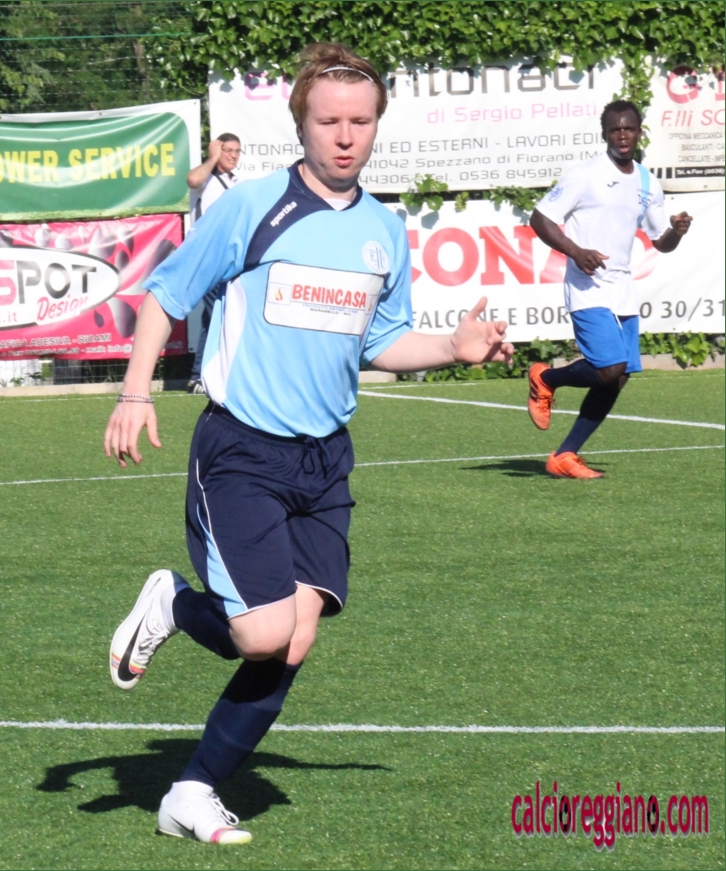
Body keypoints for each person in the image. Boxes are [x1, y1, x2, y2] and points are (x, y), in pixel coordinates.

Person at [104, 42, 513, 846]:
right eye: (329, 121)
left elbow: (382, 342)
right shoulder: (254, 207)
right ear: (302, 123)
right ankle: (175, 605)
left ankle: (192, 790)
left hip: (325, 460)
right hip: (242, 449)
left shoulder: (384, 231)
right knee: (260, 632)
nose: (346, 135)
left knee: (295, 636)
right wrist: (135, 390)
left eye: (360, 121)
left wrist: (451, 348)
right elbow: (165, 295)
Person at [527, 99, 693, 479]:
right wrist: (576, 251)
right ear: (604, 134)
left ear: (639, 133)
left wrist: (676, 232)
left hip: (622, 287)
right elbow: (540, 218)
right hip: (587, 285)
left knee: (619, 376)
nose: (622, 135)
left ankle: (565, 455)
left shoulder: (647, 182)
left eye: (629, 128)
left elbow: (660, 242)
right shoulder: (585, 175)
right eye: (615, 129)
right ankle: (545, 378)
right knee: (609, 367)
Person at [185, 133, 242, 394]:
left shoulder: (237, 182)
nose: (232, 155)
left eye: (237, 151)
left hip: (228, 258)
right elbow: (192, 179)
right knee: (222, 312)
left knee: (214, 315)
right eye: (227, 150)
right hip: (206, 257)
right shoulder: (206, 178)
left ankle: (199, 375)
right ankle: (216, 374)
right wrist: (212, 158)